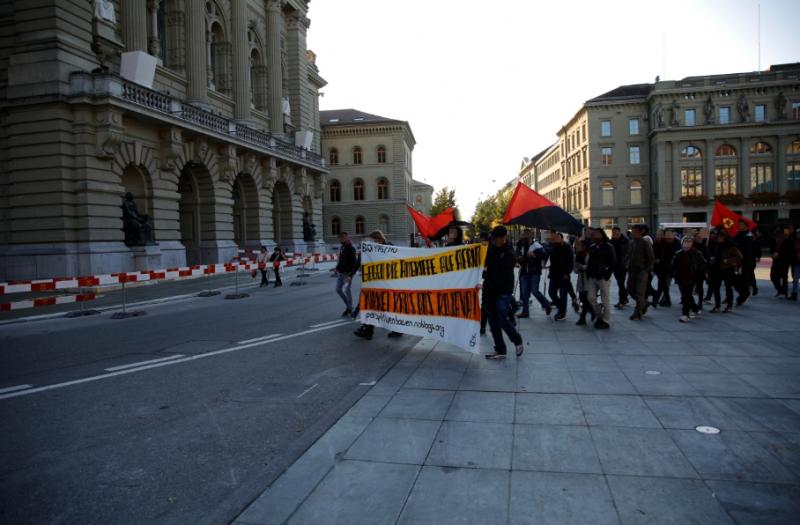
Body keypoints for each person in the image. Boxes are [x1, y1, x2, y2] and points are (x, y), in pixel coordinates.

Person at [483, 226, 524, 359]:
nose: (493, 241)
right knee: (493, 322)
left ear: (503, 238)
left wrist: (486, 278)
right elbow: (484, 264)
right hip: (490, 289)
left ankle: (517, 340)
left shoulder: (509, 253)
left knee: (501, 318)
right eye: (492, 239)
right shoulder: (491, 248)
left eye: (496, 239)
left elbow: (503, 276)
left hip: (503, 290)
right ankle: (500, 349)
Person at [354, 230, 403, 340]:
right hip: (377, 285)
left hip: (388, 285)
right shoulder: (373, 251)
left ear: (380, 239)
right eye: (372, 241)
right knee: (373, 307)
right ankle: (368, 329)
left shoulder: (389, 247)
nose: (373, 243)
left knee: (389, 308)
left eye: (374, 240)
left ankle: (397, 329)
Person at [585, 228, 616, 329]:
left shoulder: (609, 247)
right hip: (593, 276)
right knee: (591, 297)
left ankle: (605, 320)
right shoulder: (592, 246)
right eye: (593, 234)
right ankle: (599, 315)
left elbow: (613, 262)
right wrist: (589, 273)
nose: (594, 236)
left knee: (605, 299)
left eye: (597, 234)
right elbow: (589, 261)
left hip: (603, 277)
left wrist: (607, 274)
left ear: (602, 235)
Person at [516, 229, 551, 318]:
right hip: (524, 271)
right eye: (524, 235)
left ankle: (546, 304)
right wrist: (519, 259)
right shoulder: (520, 245)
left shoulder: (537, 245)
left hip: (534, 271)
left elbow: (544, 256)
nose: (524, 236)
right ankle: (525, 311)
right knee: (524, 293)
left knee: (534, 291)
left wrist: (534, 256)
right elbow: (517, 255)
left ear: (532, 236)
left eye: (527, 235)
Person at [672, 236, 705, 322]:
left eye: (689, 241)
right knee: (686, 295)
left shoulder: (697, 253)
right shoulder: (678, 253)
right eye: (685, 241)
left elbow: (703, 264)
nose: (687, 243)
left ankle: (685, 314)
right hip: (681, 277)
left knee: (686, 296)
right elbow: (673, 265)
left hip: (692, 278)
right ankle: (695, 308)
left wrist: (700, 272)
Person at [710, 231, 743, 313]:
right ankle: (717, 306)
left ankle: (729, 306)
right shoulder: (716, 245)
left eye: (721, 237)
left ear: (725, 238)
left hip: (727, 269)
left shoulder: (731, 246)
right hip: (717, 268)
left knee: (728, 287)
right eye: (718, 237)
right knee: (716, 288)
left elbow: (740, 256)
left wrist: (728, 260)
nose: (719, 239)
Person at [627, 224, 655, 320]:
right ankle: (644, 303)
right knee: (630, 290)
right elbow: (629, 256)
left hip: (642, 271)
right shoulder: (631, 243)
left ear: (640, 232)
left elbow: (651, 258)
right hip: (632, 271)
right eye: (632, 231)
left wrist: (646, 269)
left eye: (634, 231)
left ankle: (638, 312)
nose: (632, 233)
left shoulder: (645, 243)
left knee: (640, 293)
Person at [547, 231, 574, 321]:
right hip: (554, 274)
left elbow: (570, 262)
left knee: (563, 295)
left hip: (563, 275)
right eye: (554, 238)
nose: (555, 239)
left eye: (558, 238)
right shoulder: (552, 247)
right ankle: (561, 308)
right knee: (551, 292)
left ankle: (562, 313)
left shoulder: (567, 247)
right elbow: (549, 259)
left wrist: (567, 273)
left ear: (562, 238)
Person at [652, 230, 679, 307]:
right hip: (659, 268)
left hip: (667, 268)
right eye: (657, 234)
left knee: (662, 285)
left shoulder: (666, 244)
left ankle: (656, 300)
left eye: (660, 234)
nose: (658, 236)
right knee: (663, 285)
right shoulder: (656, 243)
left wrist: (660, 259)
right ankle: (666, 300)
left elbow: (670, 256)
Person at [335, 232, 358, 316]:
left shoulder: (351, 248)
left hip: (347, 274)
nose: (342, 239)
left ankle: (350, 308)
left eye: (344, 237)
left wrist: (351, 275)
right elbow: (341, 261)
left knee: (347, 291)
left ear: (347, 238)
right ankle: (349, 306)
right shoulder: (342, 247)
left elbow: (354, 263)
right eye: (340, 238)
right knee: (338, 290)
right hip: (341, 273)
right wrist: (337, 268)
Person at [733, 220, 755, 304]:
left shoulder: (748, 235)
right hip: (737, 260)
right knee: (734, 278)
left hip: (745, 261)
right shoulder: (738, 234)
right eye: (738, 224)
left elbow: (746, 248)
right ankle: (743, 293)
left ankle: (744, 295)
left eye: (741, 224)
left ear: (746, 226)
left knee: (744, 278)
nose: (739, 226)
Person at [573, 238, 594, 326]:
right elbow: (575, 269)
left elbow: (589, 267)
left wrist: (581, 267)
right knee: (583, 299)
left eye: (581, 245)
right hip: (581, 279)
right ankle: (593, 312)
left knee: (586, 299)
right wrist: (580, 268)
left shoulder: (590, 255)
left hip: (589, 279)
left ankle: (583, 317)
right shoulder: (577, 255)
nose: (579, 247)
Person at [610, 226, 630, 308]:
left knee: (621, 283)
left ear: (619, 232)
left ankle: (622, 300)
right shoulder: (611, 241)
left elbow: (627, 253)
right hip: (615, 265)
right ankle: (625, 298)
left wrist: (625, 263)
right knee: (620, 283)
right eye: (613, 233)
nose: (614, 234)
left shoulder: (625, 241)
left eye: (615, 232)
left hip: (622, 266)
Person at [693, 229, 711, 308]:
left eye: (700, 237)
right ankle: (690, 301)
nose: (699, 238)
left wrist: (706, 269)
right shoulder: (692, 246)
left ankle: (700, 303)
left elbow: (707, 260)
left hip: (701, 270)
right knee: (689, 287)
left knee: (700, 287)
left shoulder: (705, 247)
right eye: (697, 237)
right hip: (692, 270)